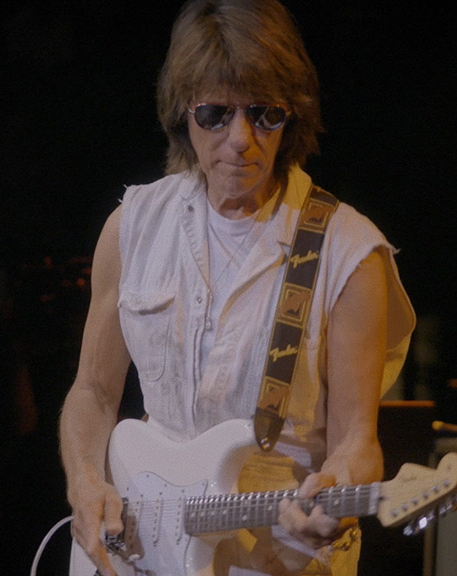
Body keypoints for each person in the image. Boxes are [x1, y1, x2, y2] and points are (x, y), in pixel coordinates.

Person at [57, 1, 415, 575]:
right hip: (139, 551)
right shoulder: (133, 227)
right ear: (182, 112)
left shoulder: (348, 252)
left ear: (291, 117)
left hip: (279, 556)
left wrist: (336, 490)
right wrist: (85, 481)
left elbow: (356, 441)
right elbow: (94, 392)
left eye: (264, 114)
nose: (241, 138)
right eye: (216, 114)